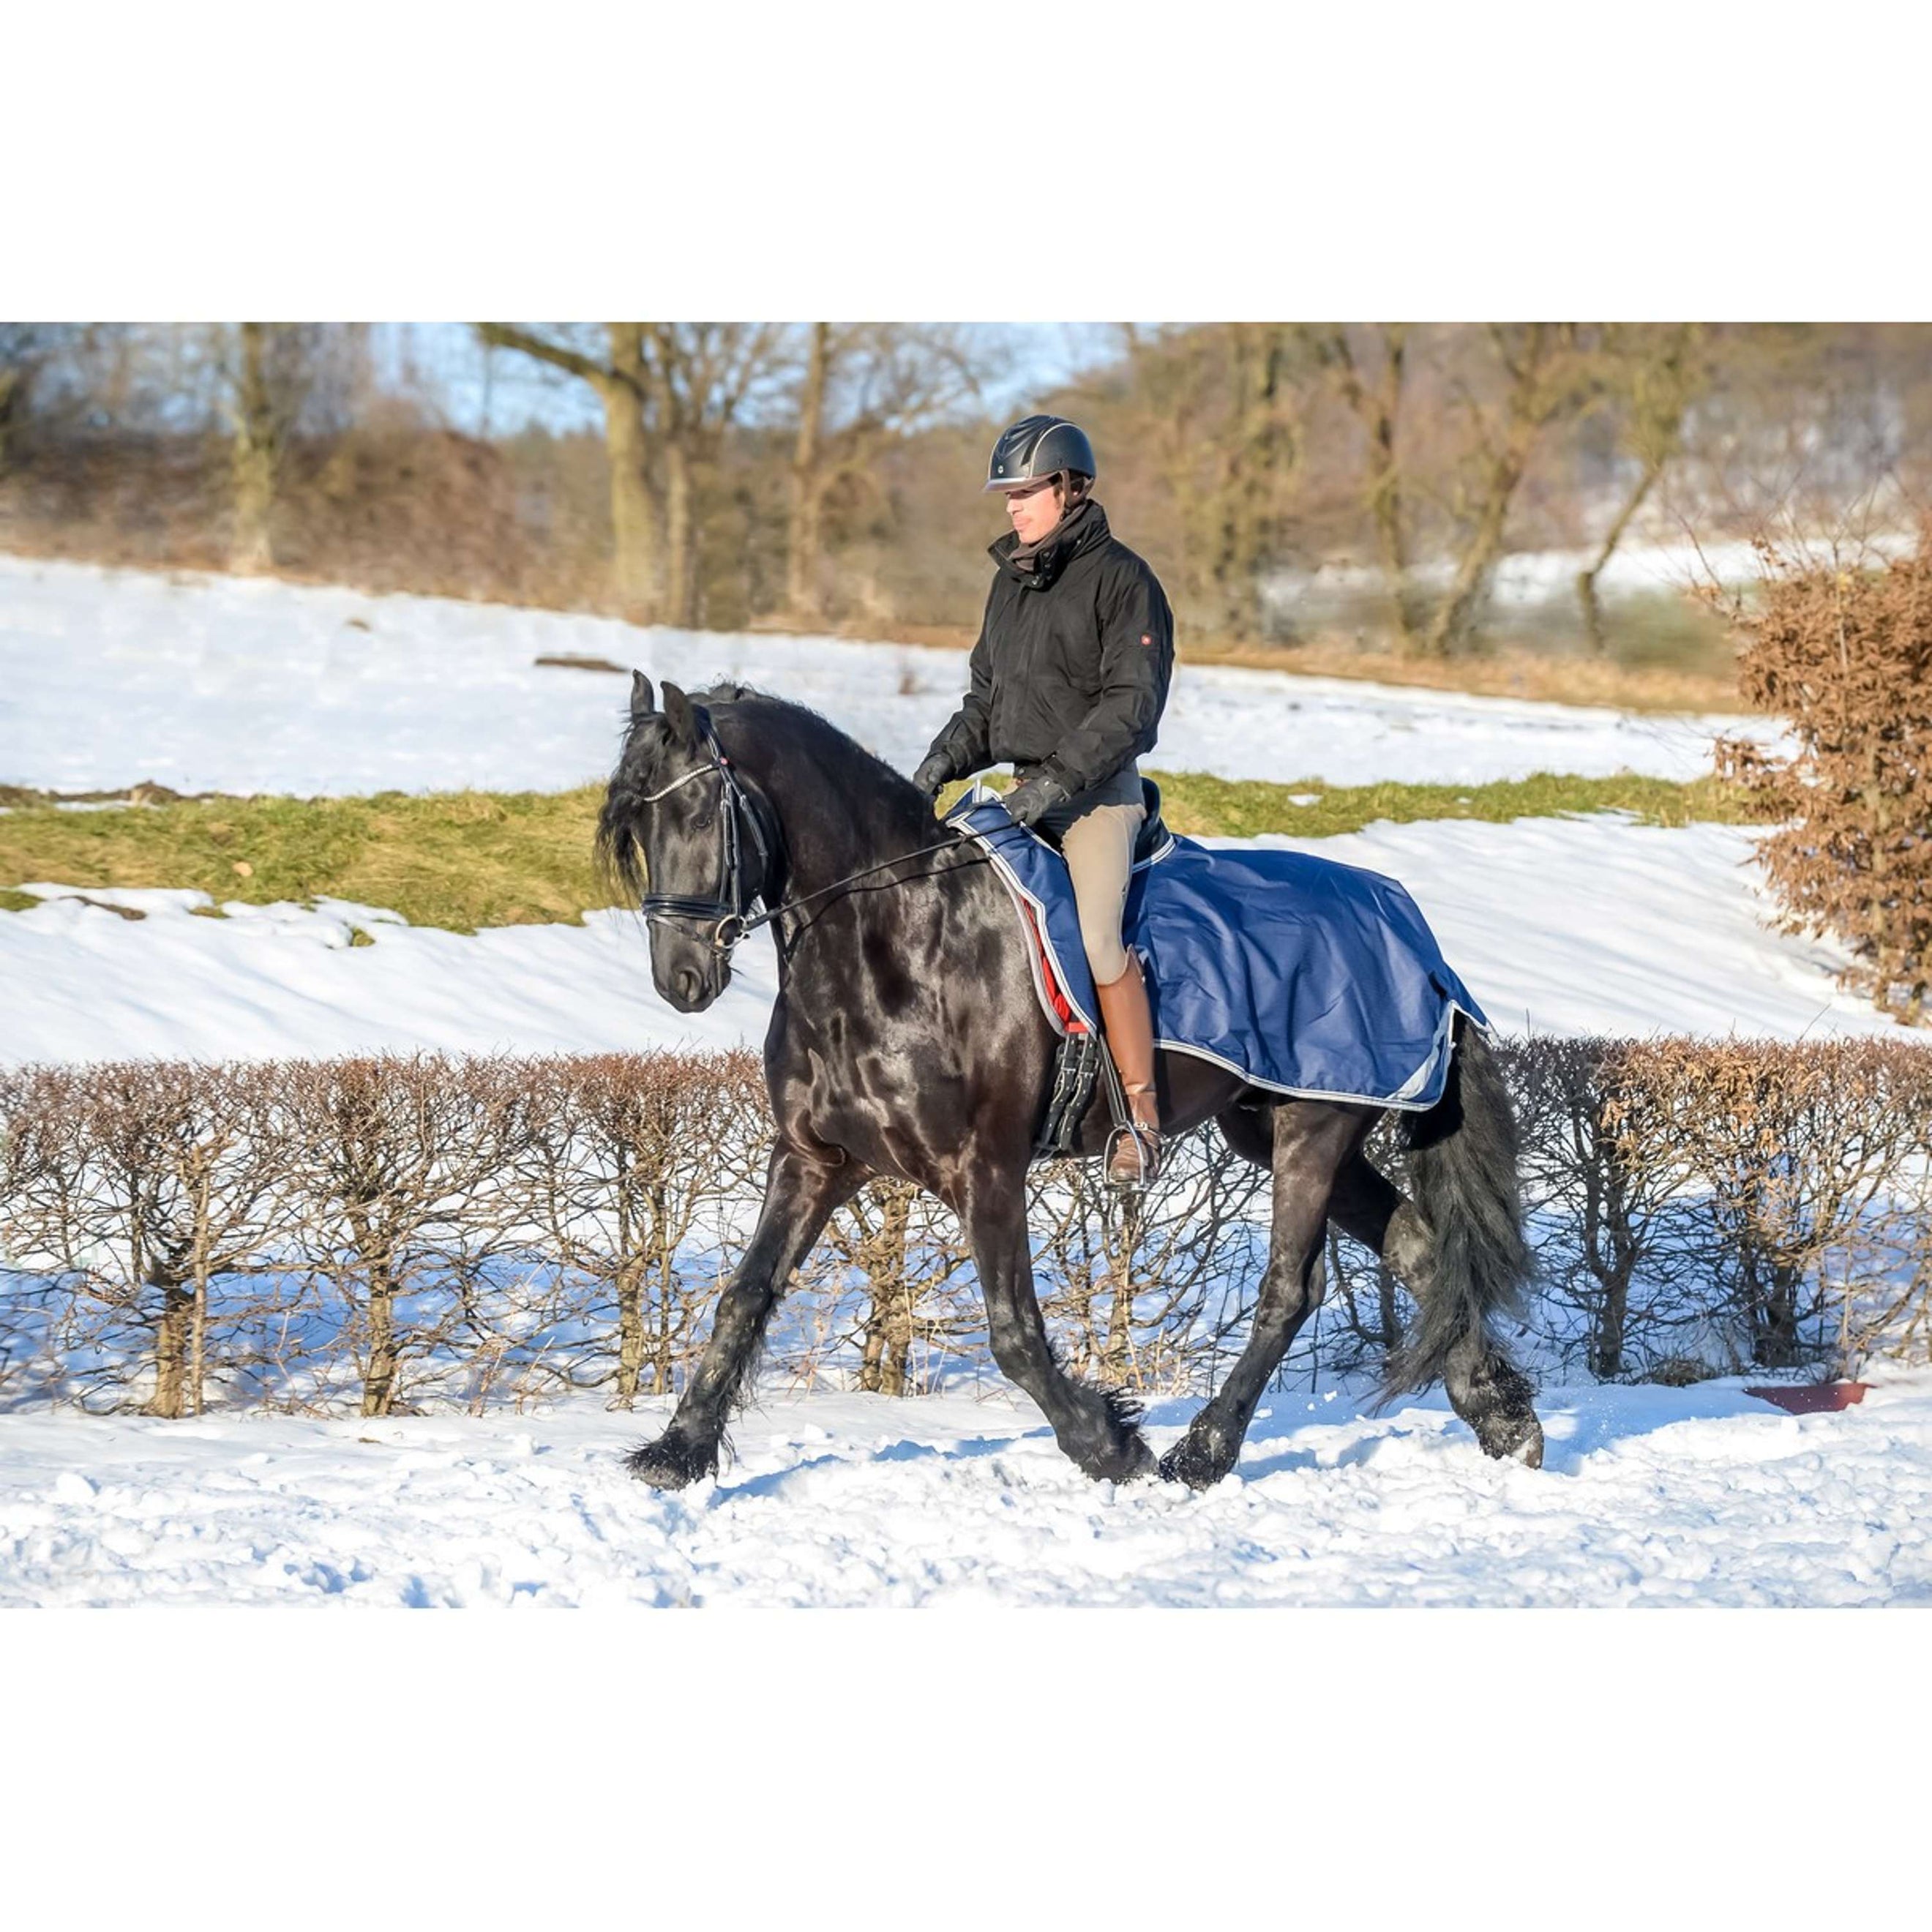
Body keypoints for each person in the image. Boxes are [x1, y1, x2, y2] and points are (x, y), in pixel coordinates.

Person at [913, 414, 1175, 1186]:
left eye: (1025, 491)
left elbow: (1133, 707)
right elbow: (986, 705)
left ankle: (1139, 1118)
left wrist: (1059, 783)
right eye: (1006, 494)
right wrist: (937, 765)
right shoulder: (1008, 584)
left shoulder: (1126, 581)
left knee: (1097, 941)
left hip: (1098, 797)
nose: (1012, 506)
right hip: (1025, 789)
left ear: (1069, 487)